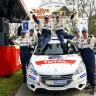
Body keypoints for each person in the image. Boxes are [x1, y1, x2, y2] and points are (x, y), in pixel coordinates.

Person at [80, 27, 96, 95]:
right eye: (83, 32)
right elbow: (80, 47)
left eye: (85, 32)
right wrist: (80, 52)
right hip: (84, 57)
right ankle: (90, 83)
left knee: (91, 72)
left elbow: (93, 43)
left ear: (87, 32)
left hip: (90, 57)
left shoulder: (91, 37)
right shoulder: (82, 40)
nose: (84, 33)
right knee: (86, 72)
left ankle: (94, 86)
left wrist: (91, 40)